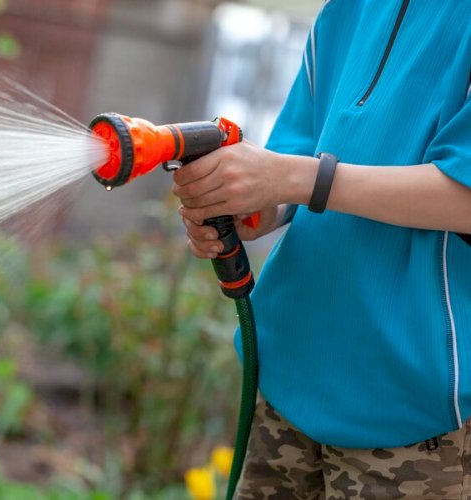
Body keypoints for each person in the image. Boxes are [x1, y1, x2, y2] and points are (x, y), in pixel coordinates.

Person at [172, 1, 471, 498]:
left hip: (413, 416)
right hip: (287, 373)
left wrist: (295, 178)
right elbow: (300, 149)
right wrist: (254, 205)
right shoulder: (347, 9)